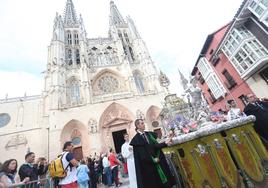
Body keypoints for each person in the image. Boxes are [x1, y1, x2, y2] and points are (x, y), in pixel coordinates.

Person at [130, 119, 175, 188]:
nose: (144, 124)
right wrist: (153, 160)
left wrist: (166, 143)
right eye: (142, 123)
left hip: (157, 162)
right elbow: (142, 155)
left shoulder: (149, 134)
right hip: (148, 166)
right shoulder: (136, 140)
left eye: (143, 123)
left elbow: (155, 146)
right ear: (137, 126)